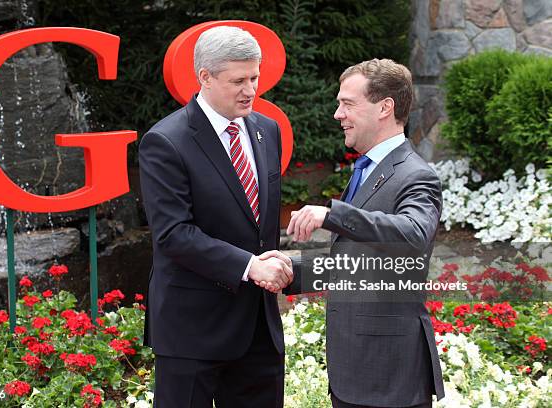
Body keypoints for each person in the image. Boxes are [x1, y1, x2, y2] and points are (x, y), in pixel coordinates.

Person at [138, 25, 293, 408]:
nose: (250, 90)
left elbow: (257, 223)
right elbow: (173, 234)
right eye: (238, 80)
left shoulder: (267, 130)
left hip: (258, 328)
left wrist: (273, 259)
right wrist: (249, 266)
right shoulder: (165, 141)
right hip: (192, 329)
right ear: (204, 77)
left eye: (254, 77)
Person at [285, 59, 445, 408]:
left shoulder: (416, 175)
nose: (337, 113)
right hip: (355, 375)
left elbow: (413, 235)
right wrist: (290, 270)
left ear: (385, 107)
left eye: (348, 103)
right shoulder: (369, 168)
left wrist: (333, 214)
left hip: (389, 375)